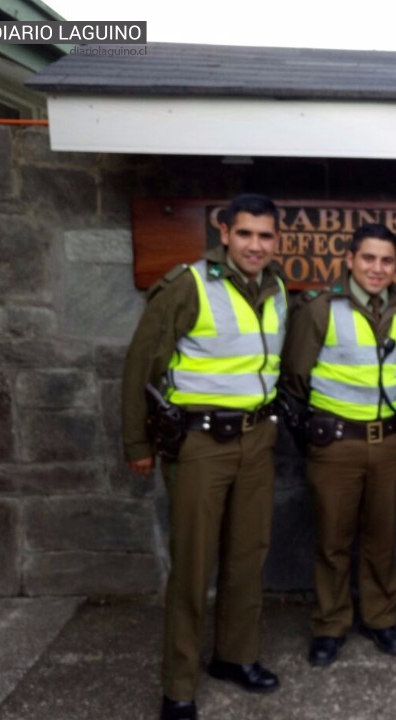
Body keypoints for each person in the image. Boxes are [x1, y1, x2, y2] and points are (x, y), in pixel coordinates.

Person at [122, 194, 287, 720]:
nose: (255, 245)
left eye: (265, 236)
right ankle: (179, 686)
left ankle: (235, 658)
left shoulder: (278, 289)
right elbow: (140, 367)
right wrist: (138, 444)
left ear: (276, 240)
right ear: (224, 233)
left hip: (257, 441)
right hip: (200, 446)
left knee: (246, 558)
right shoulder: (188, 286)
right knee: (193, 567)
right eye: (245, 234)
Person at [279, 223, 396, 668]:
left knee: (382, 537)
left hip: (390, 443)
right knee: (333, 539)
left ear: (395, 265)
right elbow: (295, 378)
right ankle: (330, 624)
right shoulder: (320, 308)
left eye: (386, 260)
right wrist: (317, 433)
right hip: (336, 444)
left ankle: (380, 619)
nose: (377, 269)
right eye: (368, 258)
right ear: (350, 259)